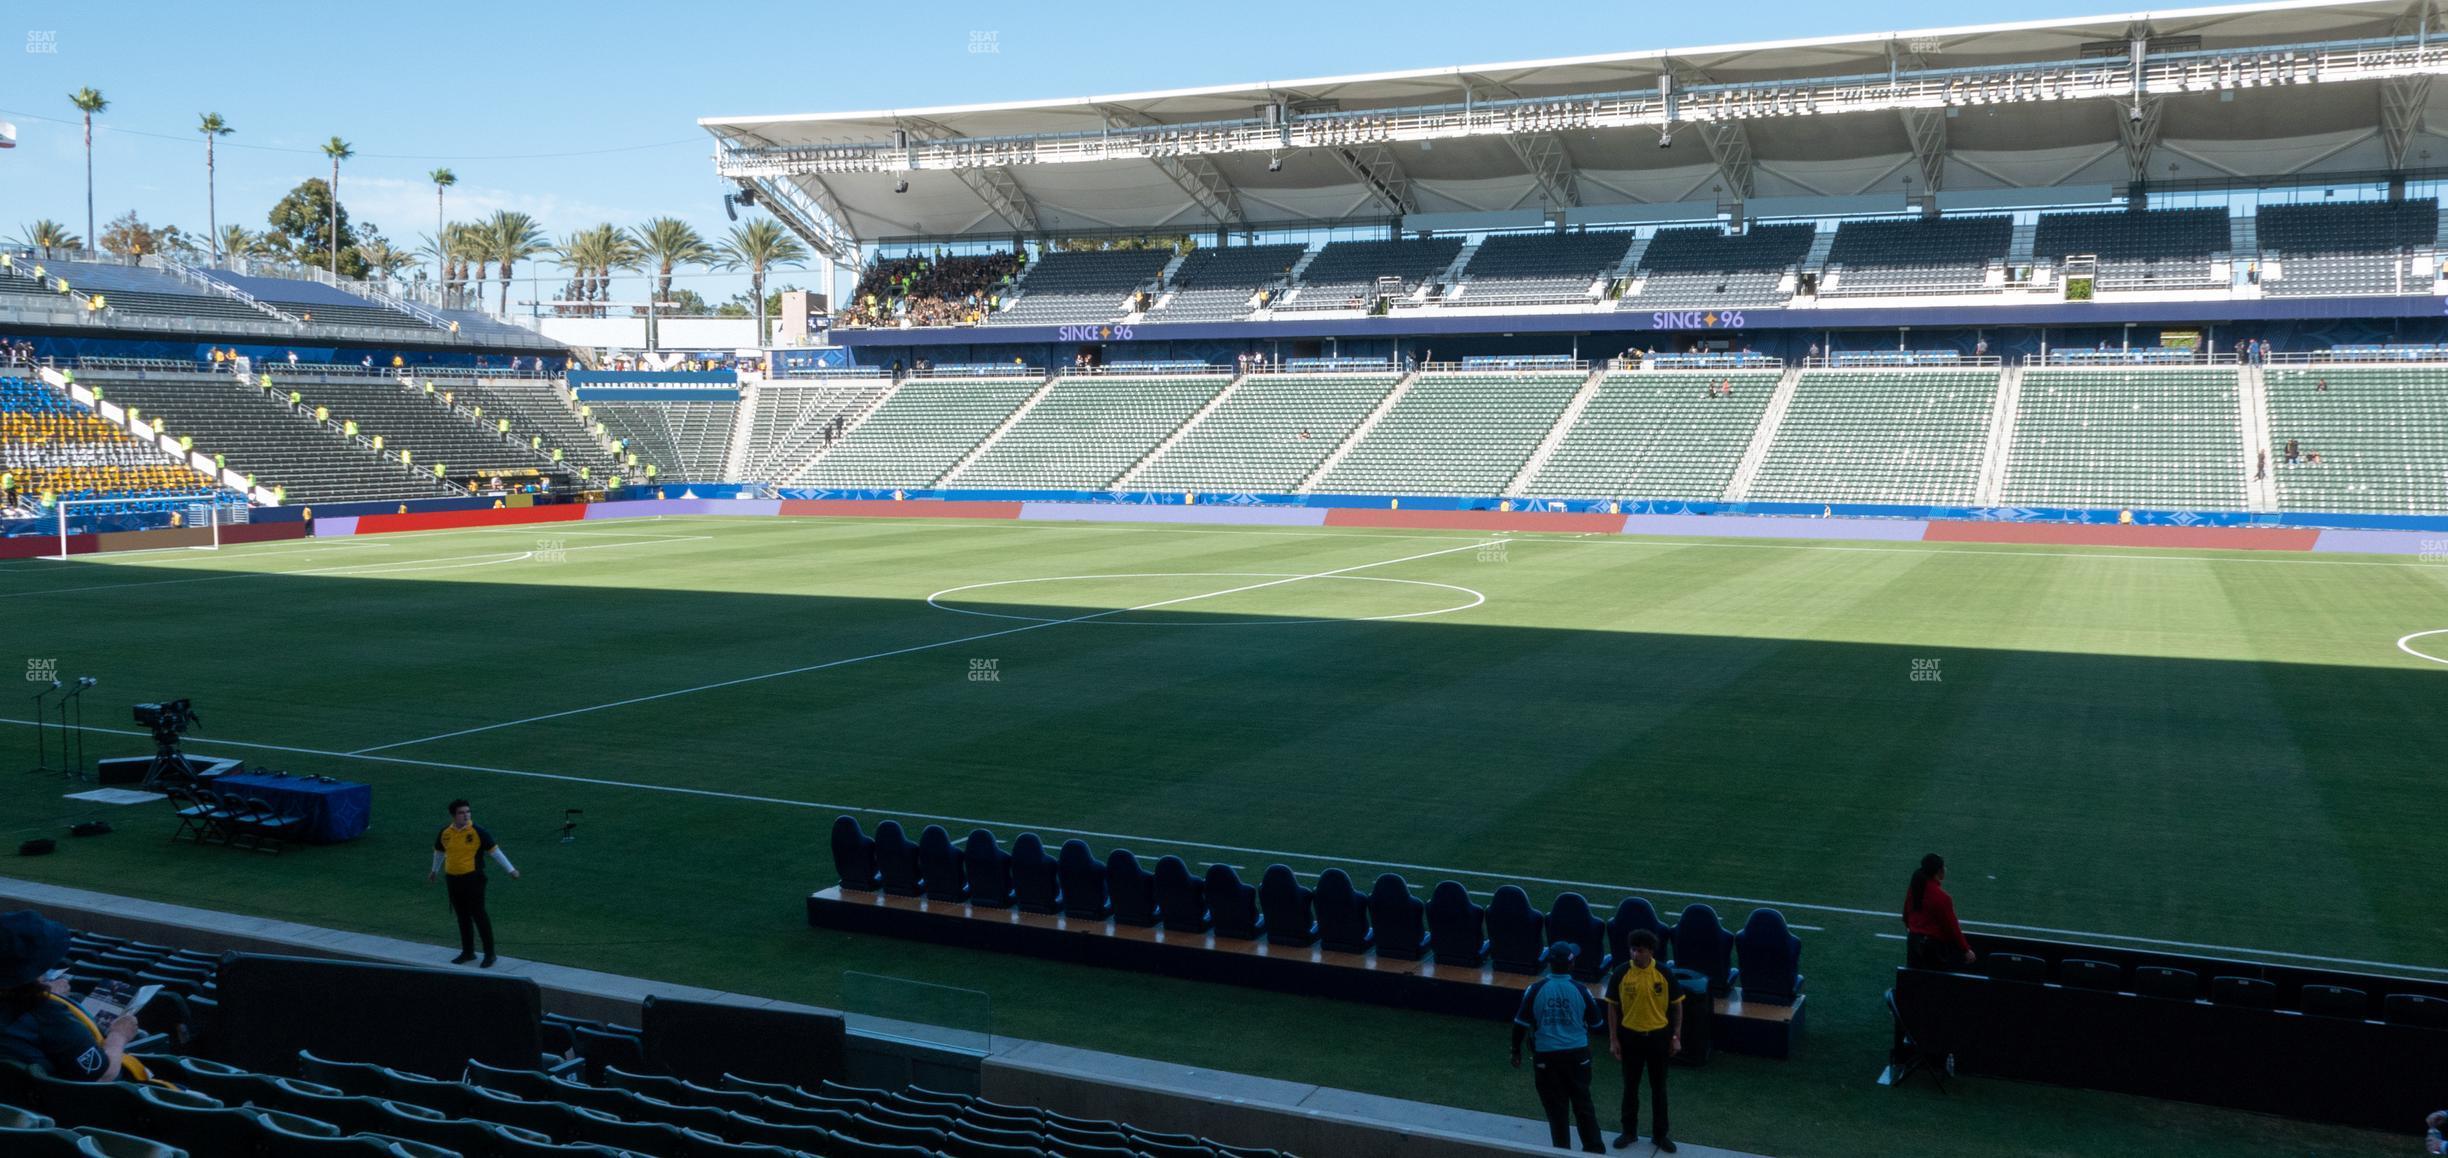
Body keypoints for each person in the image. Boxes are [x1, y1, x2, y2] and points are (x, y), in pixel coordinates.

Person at [0, 909, 157, 1084]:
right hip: (68, 1105)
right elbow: (101, 1076)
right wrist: (119, 1035)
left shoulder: (31, 1007)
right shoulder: (47, 1016)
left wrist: (44, 994)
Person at [1512, 941, 1606, 1153]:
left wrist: (1515, 1051)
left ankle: (1561, 1153)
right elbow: (1597, 1023)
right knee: (1584, 1106)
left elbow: (1520, 1024)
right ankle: (1594, 1152)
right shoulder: (1581, 990)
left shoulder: (1535, 989)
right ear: (1571, 965)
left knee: (1556, 1113)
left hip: (1546, 1059)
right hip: (1578, 1057)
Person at [1603, 929, 1683, 1152]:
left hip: (1658, 1037)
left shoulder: (1664, 974)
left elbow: (1677, 1006)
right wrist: (1613, 1039)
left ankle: (1660, 1135)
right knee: (1630, 1088)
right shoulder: (1620, 973)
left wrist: (1676, 1037)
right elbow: (1612, 1007)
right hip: (1631, 1038)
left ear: (1650, 951)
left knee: (1659, 1089)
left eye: (1639, 950)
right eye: (1632, 949)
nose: (1635, 954)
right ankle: (1629, 1132)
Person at [428, 798, 519, 967]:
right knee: (462, 917)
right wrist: (434, 870)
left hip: (473, 879)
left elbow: (495, 851)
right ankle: (468, 952)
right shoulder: (445, 833)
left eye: (468, 812)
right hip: (453, 880)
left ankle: (490, 954)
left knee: (479, 915)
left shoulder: (478, 831)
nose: (466, 815)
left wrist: (511, 870)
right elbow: (439, 852)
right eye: (462, 812)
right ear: (453, 815)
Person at [1902, 853, 1974, 970]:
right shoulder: (1942, 897)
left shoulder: (1915, 887)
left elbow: (1906, 912)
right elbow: (1952, 927)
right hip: (1933, 948)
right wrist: (1965, 949)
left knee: (1915, 979)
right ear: (1939, 871)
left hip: (1913, 942)